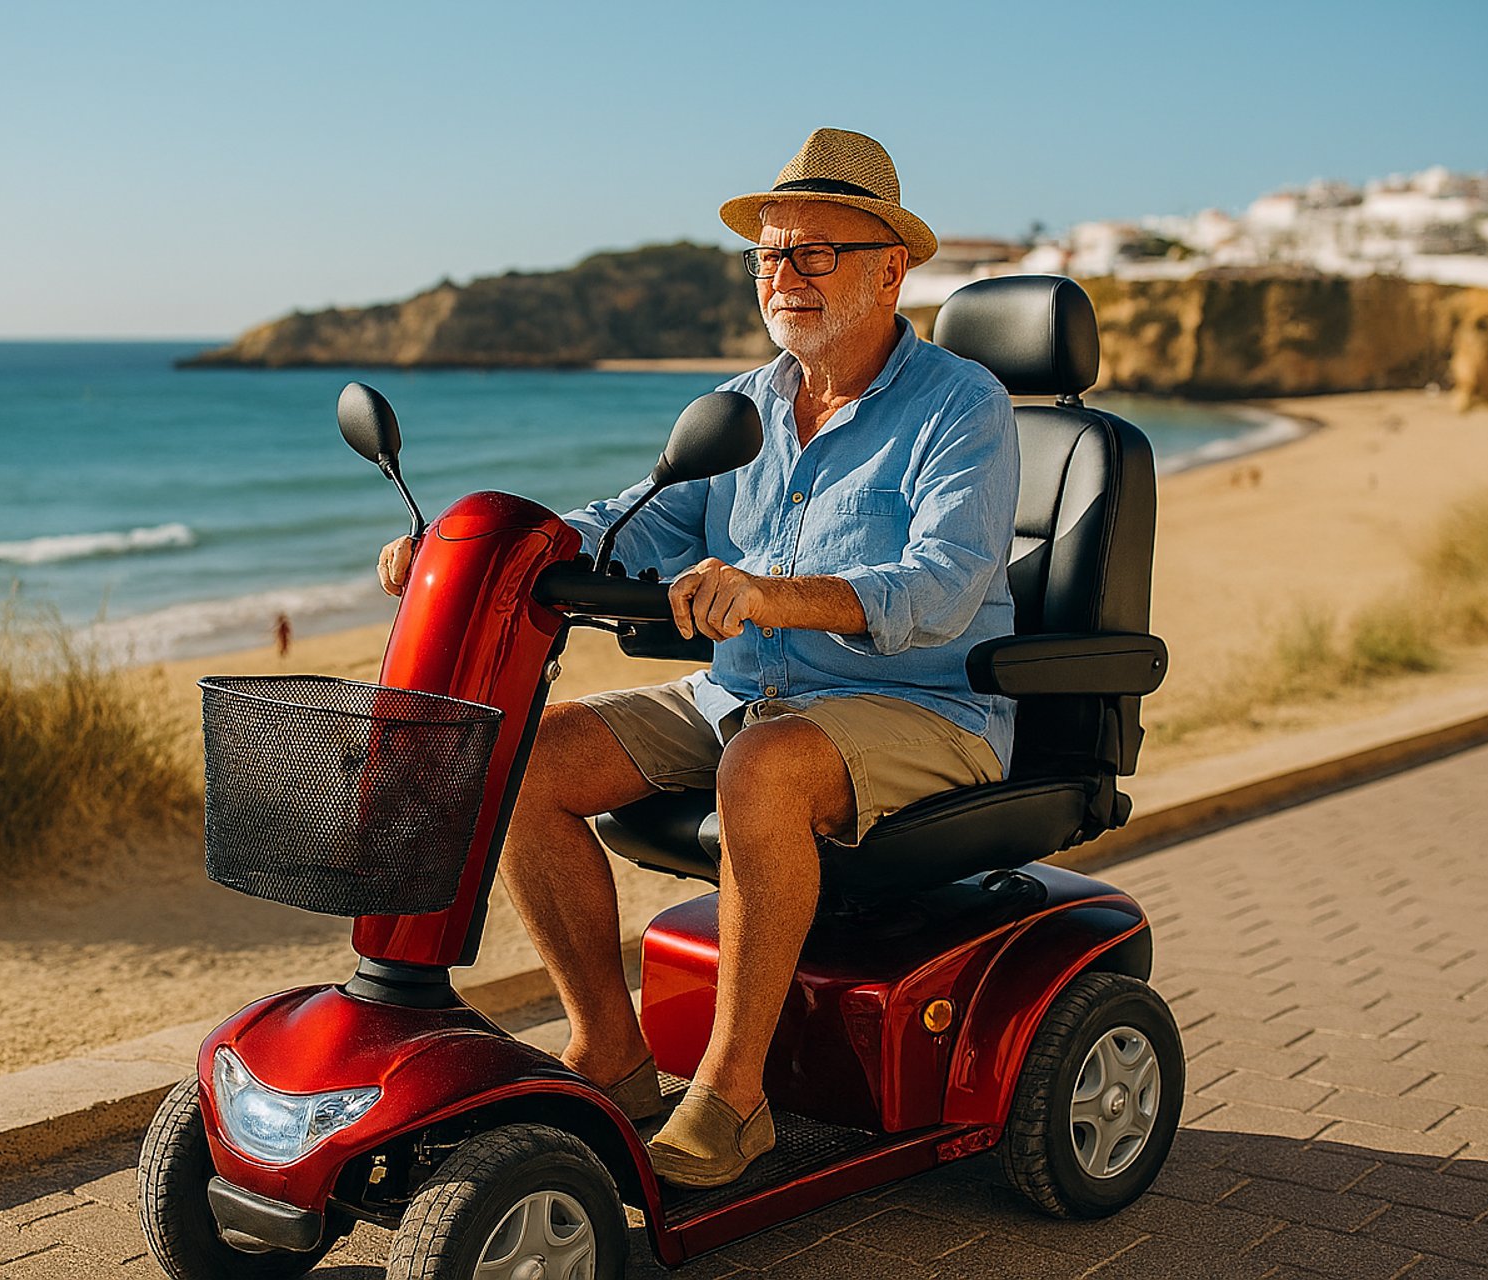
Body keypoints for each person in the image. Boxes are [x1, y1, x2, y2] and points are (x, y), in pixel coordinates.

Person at [376, 128, 1018, 1188]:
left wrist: (771, 593)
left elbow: (942, 588)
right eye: (770, 253)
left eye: (816, 252)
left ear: (891, 267)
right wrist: (470, 545)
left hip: (921, 706)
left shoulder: (962, 405)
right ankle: (614, 1054)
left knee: (760, 769)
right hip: (747, 691)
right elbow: (636, 524)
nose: (784, 274)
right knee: (527, 760)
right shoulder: (745, 405)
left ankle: (733, 1095)